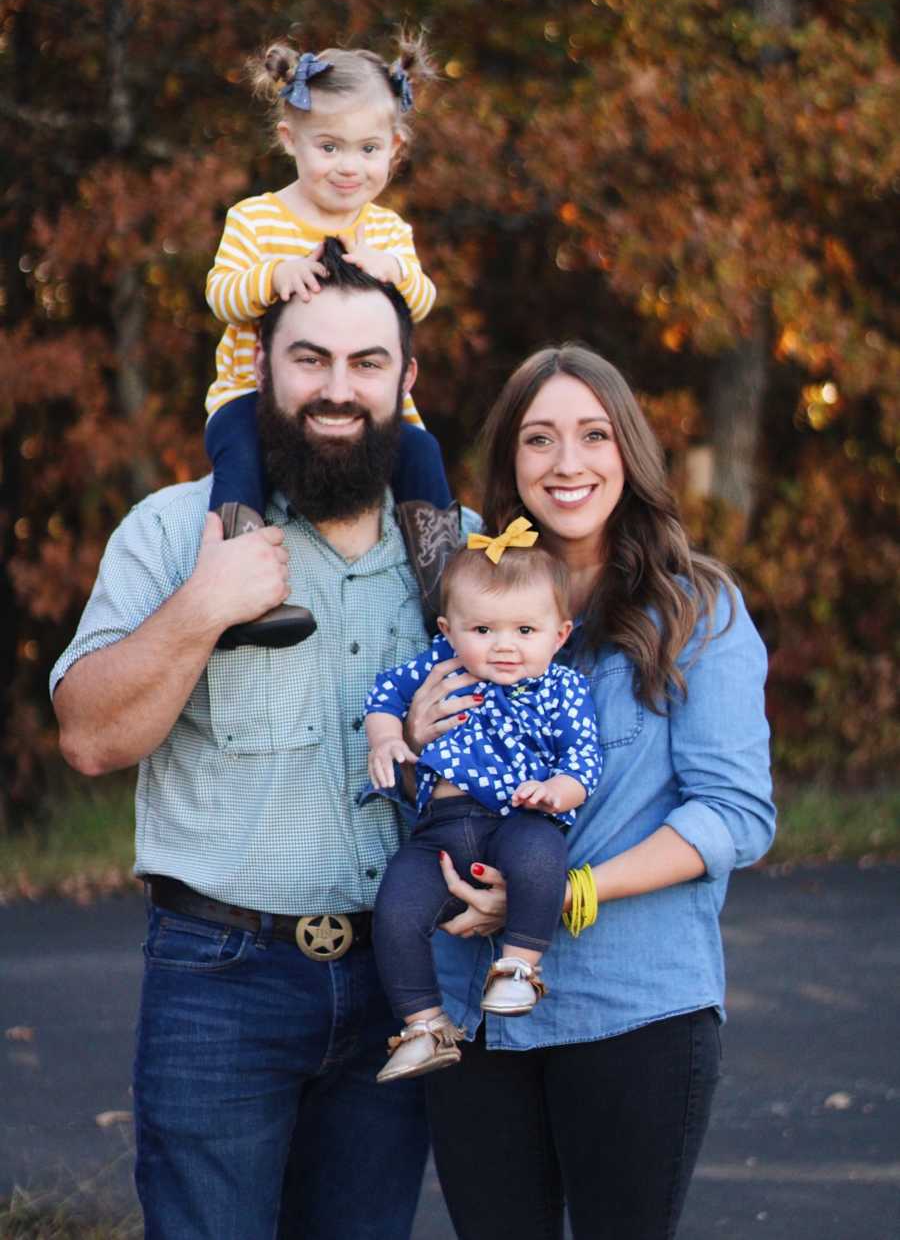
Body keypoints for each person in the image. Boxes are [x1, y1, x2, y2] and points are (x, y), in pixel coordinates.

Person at [50, 242, 444, 1240]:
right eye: (309, 359)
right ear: (261, 369)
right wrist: (200, 608)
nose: (336, 390)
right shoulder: (175, 530)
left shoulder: (459, 560)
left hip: (400, 982)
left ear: (407, 381)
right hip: (220, 979)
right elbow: (91, 737)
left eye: (365, 365)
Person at [400, 344, 776, 1240]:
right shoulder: (462, 606)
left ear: (628, 451)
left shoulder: (699, 611)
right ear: (511, 463)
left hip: (632, 1008)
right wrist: (411, 740)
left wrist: (566, 893)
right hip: (473, 1016)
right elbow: (429, 801)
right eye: (539, 439)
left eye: (592, 435)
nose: (567, 464)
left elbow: (734, 814)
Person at [204, 31, 450, 648]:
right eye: (329, 146)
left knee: (424, 455)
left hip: (367, 408)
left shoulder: (389, 231)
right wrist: (269, 278)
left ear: (395, 149)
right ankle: (242, 594)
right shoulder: (256, 218)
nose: (348, 166)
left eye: (368, 148)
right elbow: (219, 294)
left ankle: (446, 588)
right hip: (252, 399)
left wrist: (399, 275)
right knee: (240, 462)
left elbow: (423, 303)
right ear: (292, 141)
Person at [364, 530, 602, 1083]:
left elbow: (582, 764)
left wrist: (555, 792)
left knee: (541, 859)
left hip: (517, 818)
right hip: (438, 831)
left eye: (525, 630)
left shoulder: (562, 688)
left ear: (560, 634)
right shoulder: (439, 668)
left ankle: (519, 965)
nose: (503, 645)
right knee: (396, 912)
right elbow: (382, 696)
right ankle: (425, 1025)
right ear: (448, 632)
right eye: (482, 629)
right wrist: (387, 740)